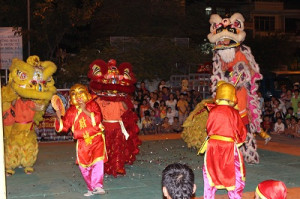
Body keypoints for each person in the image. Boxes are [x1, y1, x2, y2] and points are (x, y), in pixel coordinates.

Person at [54, 84, 107, 196]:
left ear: (86, 93)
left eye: (80, 92)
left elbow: (97, 119)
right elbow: (64, 127)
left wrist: (85, 110)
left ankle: (98, 186)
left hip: (96, 139)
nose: (77, 96)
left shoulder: (92, 105)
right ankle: (90, 188)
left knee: (97, 162)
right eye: (74, 94)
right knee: (84, 166)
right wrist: (59, 116)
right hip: (82, 142)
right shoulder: (71, 111)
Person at [201, 81, 247, 199]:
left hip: (212, 146)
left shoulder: (213, 111)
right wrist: (238, 140)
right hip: (228, 147)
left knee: (210, 173)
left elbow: (208, 128)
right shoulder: (234, 112)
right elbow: (241, 132)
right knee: (235, 174)